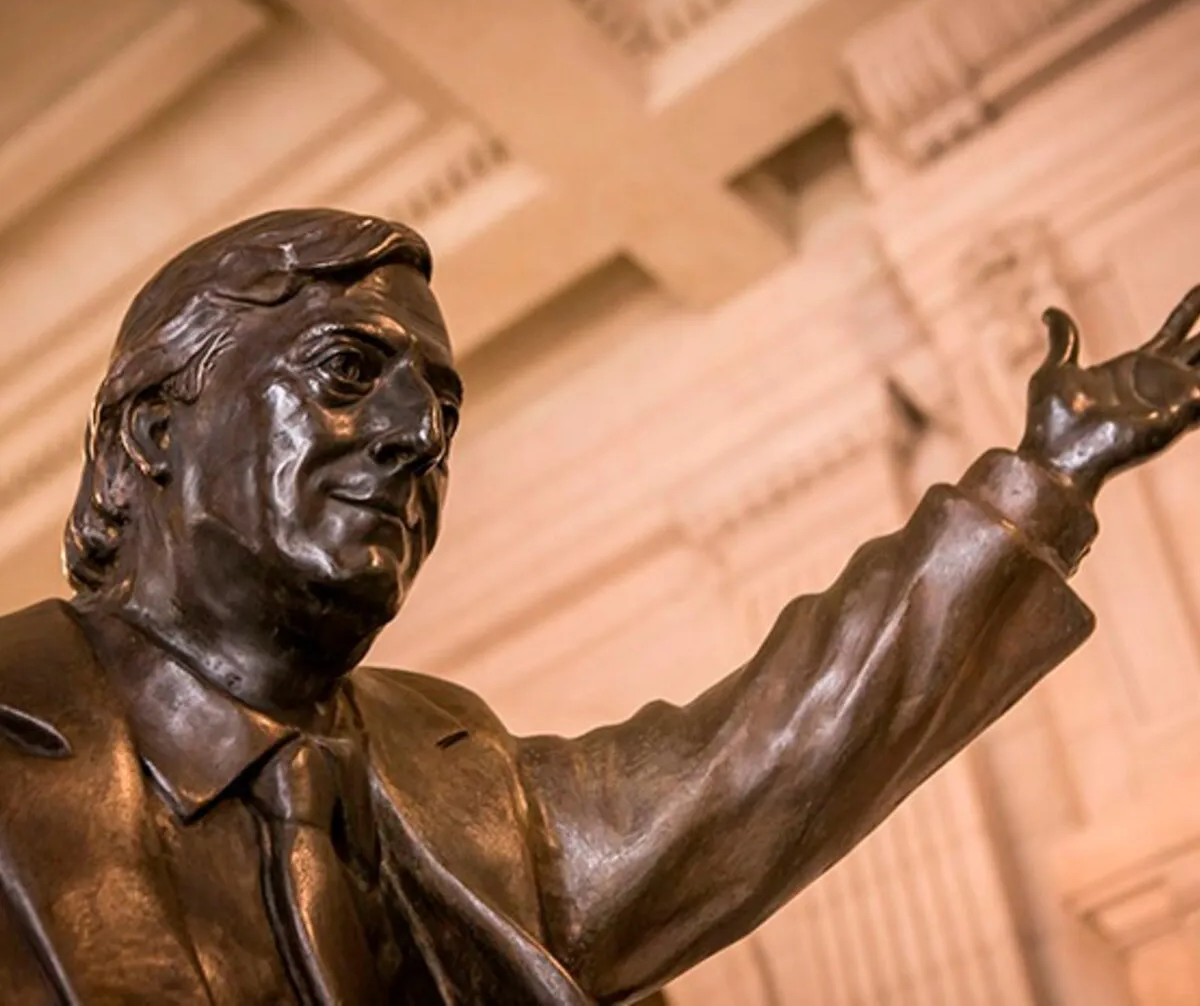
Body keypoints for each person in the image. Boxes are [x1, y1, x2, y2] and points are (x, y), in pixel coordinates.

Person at [0, 208, 1196, 1005]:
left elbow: (762, 760)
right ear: (155, 433)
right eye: (351, 374)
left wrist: (1041, 485)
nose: (421, 438)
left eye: (445, 413)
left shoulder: (452, 771)